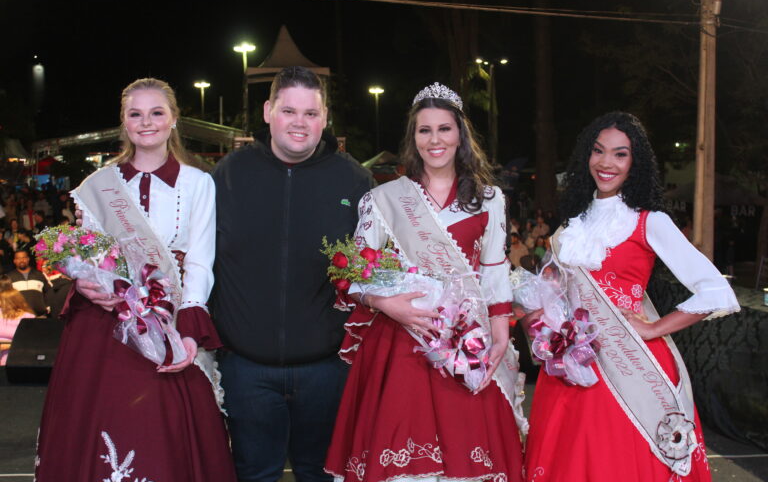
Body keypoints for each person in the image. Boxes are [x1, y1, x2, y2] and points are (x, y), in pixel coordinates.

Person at [519, 111, 740, 482]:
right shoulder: (574, 221)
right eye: (599, 151)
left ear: (635, 162)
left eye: (620, 154)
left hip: (630, 365)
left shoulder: (649, 219)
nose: (606, 163)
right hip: (573, 367)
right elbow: (551, 288)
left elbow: (715, 289)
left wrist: (655, 329)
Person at [35, 78, 237, 482]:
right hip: (105, 327)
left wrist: (190, 330)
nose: (147, 122)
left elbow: (200, 261)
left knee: (165, 437)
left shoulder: (200, 183)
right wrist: (88, 286)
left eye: (157, 112)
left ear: (174, 119)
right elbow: (93, 254)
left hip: (171, 322)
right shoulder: (97, 186)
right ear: (124, 124)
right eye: (136, 114)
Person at [325, 83, 527, 482]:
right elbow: (357, 275)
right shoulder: (382, 199)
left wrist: (500, 332)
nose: (435, 139)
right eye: (424, 130)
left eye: (444, 129)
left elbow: (494, 271)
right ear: (413, 138)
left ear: (461, 135)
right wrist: (387, 305)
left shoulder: (490, 199)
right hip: (402, 340)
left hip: (467, 339)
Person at [212, 66, 373, 482]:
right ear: (267, 112)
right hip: (245, 369)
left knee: (322, 475)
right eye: (288, 110)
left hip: (327, 369)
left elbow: (375, 269)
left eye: (311, 113)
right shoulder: (227, 175)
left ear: (325, 118)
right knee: (253, 474)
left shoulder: (355, 180)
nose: (300, 123)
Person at [0, 276, 36, 366]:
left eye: (1, 301)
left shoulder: (28, 318)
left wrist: (7, 346)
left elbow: (30, 342)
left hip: (15, 356)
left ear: (11, 302)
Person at [7, 249, 50, 317]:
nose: (21, 260)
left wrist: (47, 306)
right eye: (18, 258)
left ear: (28, 259)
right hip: (18, 317)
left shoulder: (39, 275)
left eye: (24, 258)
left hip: (40, 316)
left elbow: (49, 292)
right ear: (14, 261)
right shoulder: (9, 277)